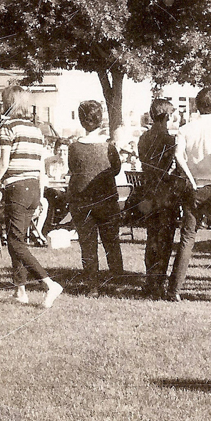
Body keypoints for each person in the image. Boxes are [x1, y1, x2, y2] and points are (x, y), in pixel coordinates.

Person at [0, 85, 64, 307]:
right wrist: (39, 194)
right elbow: (39, 167)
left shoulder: (8, 127)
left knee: (15, 241)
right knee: (18, 240)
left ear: (8, 103)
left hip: (16, 187)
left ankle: (48, 284)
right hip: (33, 189)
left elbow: (3, 163)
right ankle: (20, 291)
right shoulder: (36, 130)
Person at [167, 87, 211, 302]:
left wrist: (189, 177)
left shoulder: (186, 129)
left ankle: (175, 289)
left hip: (193, 187)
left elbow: (178, 156)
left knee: (188, 237)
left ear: (196, 105)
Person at [67, 100, 125, 296]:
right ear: (100, 120)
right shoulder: (109, 146)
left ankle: (92, 286)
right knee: (112, 242)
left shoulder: (74, 147)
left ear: (82, 120)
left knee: (88, 244)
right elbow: (116, 169)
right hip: (106, 199)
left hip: (81, 202)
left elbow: (73, 169)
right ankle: (117, 282)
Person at [137, 98, 179, 298]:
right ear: (167, 116)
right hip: (165, 194)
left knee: (152, 237)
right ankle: (158, 282)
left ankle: (150, 279)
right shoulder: (169, 140)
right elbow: (171, 169)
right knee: (164, 240)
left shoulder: (143, 138)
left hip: (148, 191)